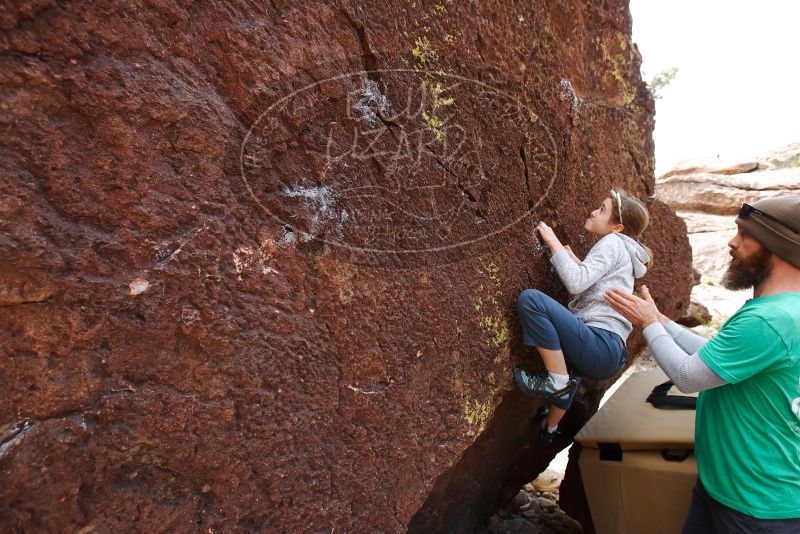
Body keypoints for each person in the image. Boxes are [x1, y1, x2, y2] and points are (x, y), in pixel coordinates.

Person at [605, 195, 800, 533]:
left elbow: (690, 376)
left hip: (757, 507)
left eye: (744, 234)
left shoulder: (770, 320)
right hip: (729, 489)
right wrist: (664, 322)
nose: (732, 242)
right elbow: (717, 357)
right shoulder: (783, 310)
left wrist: (649, 324)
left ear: (776, 246)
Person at [514, 189, 652, 443]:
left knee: (531, 300)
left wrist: (552, 242)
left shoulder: (612, 243)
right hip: (608, 354)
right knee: (570, 368)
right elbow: (593, 285)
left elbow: (577, 283)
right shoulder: (624, 253)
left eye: (602, 210)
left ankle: (556, 381)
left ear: (618, 227)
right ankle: (550, 427)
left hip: (599, 342)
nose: (593, 212)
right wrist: (573, 259)